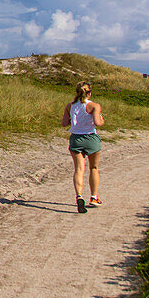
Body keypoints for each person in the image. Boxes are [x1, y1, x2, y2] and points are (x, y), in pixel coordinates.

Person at [61, 81, 104, 213]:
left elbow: (64, 123)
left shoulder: (70, 106)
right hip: (90, 138)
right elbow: (97, 123)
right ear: (89, 93)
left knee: (79, 169)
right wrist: (102, 118)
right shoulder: (94, 106)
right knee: (94, 168)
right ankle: (93, 197)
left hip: (76, 139)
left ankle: (79, 196)